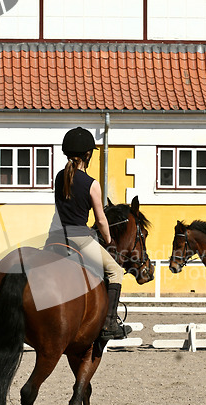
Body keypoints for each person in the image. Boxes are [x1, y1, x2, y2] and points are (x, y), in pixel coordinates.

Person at [46, 126, 132, 340]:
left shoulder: (59, 177)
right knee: (114, 271)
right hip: (79, 239)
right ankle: (109, 325)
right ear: (88, 154)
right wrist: (109, 239)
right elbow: (101, 219)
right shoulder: (91, 184)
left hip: (54, 236)